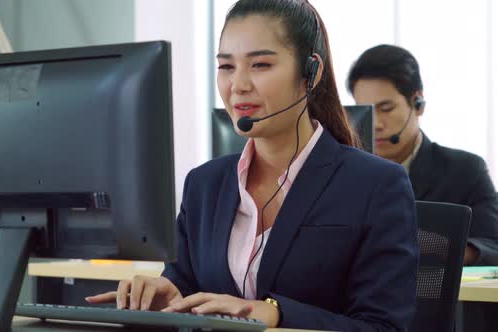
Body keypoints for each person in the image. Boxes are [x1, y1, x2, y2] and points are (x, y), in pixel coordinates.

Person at [87, 1, 419, 330]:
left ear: (311, 72)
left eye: (260, 65)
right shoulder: (204, 185)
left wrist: (274, 314)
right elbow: (184, 285)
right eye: (226, 67)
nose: (238, 85)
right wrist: (168, 297)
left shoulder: (375, 185)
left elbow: (383, 327)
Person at [348, 44, 498, 266]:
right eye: (366, 110)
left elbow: (493, 247)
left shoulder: (465, 171)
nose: (376, 123)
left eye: (386, 108)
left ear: (417, 103)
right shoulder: (347, 175)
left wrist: (437, 247)